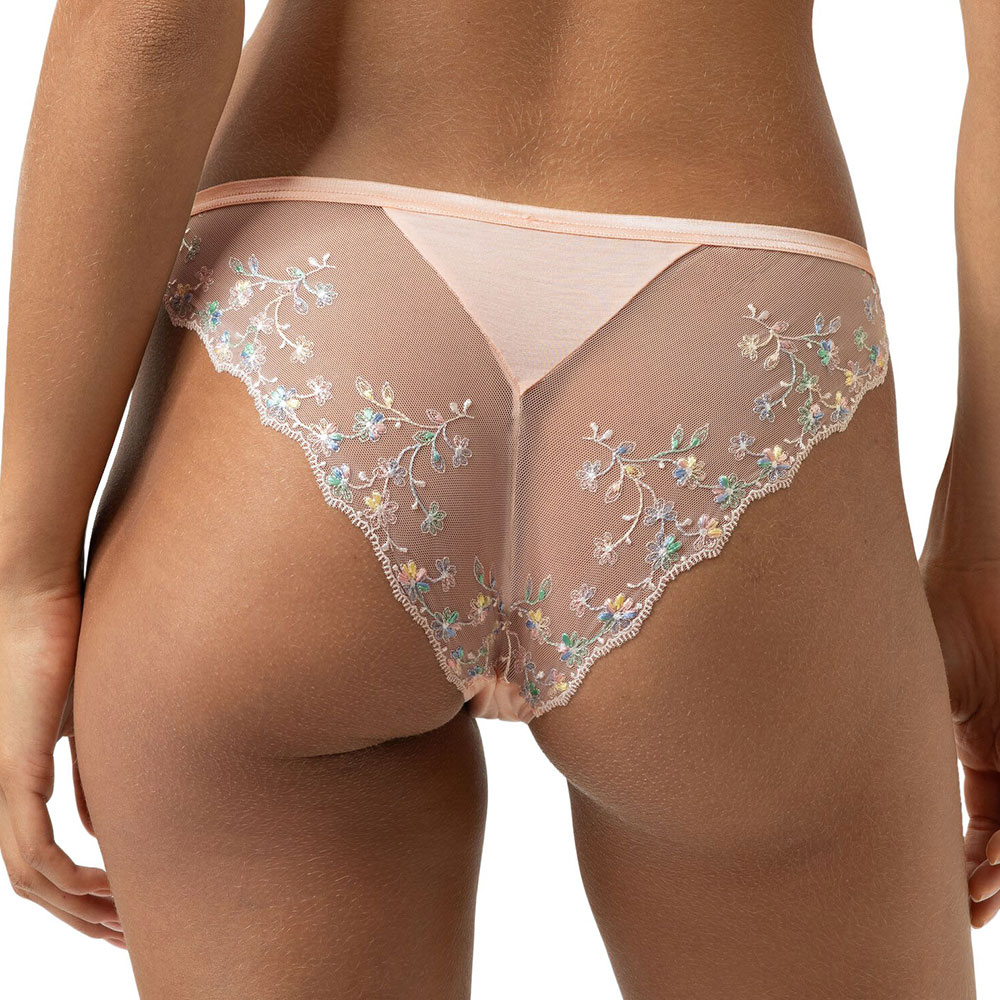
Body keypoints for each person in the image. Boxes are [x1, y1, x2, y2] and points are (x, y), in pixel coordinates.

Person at [0, 1, 995, 996]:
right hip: (737, 316)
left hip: (316, 288)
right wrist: (985, 550)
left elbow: (149, 23)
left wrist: (27, 578)